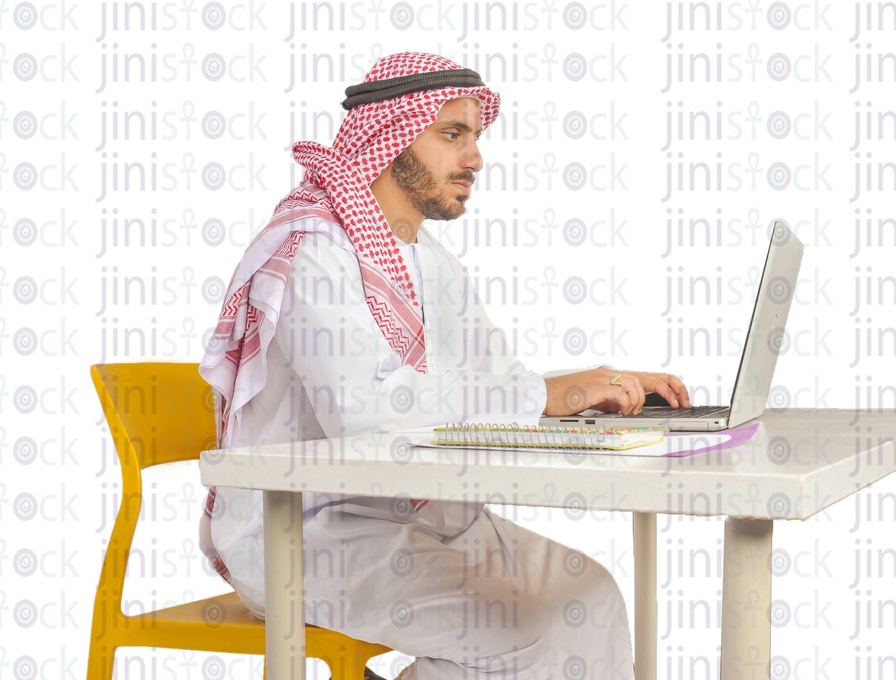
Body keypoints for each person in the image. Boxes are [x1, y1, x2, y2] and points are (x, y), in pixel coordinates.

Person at [199, 52, 690, 680]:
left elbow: (502, 383)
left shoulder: (431, 262)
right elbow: (369, 414)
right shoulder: (310, 253)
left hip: (419, 515)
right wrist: (547, 394)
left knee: (588, 601)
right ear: (390, 138)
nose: (475, 158)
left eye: (476, 137)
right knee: (518, 637)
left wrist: (595, 388)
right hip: (305, 533)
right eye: (451, 135)